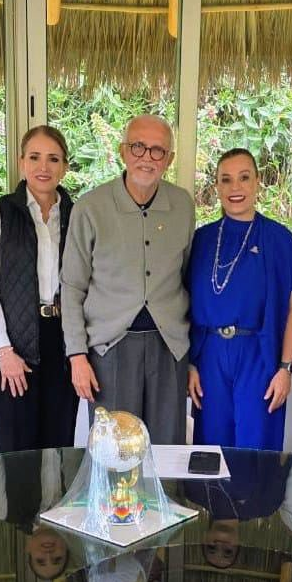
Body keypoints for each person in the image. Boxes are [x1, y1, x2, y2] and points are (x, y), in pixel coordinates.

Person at [61, 115, 195, 444]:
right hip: (110, 348)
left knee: (166, 449)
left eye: (157, 150)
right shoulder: (91, 207)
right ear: (123, 151)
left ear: (169, 159)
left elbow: (187, 275)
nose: (147, 157)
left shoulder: (182, 205)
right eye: (138, 147)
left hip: (169, 347)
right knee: (115, 452)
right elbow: (72, 286)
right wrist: (77, 355)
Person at [0, 126, 79, 451]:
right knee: (16, 449)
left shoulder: (77, 215)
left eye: (53, 159)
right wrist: (4, 351)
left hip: (62, 342)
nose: (43, 167)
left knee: (59, 446)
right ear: (21, 163)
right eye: (34, 157)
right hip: (12, 344)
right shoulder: (0, 212)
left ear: (65, 166)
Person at [186, 148, 292, 450]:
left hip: (259, 354)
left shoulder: (279, 238)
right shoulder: (202, 239)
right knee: (211, 449)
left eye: (244, 178)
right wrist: (190, 364)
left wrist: (285, 368)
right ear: (217, 186)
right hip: (209, 354)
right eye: (226, 180)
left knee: (256, 447)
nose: (235, 188)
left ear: (257, 182)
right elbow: (183, 304)